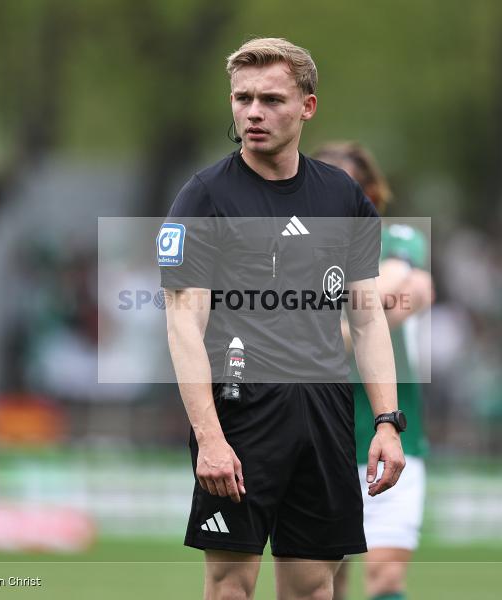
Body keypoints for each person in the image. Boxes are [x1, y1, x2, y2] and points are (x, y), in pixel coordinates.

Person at [159, 38, 406, 600]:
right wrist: (210, 438)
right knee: (229, 586)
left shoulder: (343, 196)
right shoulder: (203, 199)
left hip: (324, 414)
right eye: (242, 98)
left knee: (315, 589)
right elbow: (182, 327)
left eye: (270, 99)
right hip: (241, 414)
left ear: (307, 107)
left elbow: (366, 322)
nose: (252, 112)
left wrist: (387, 422)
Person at [314, 142, 433, 600]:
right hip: (324, 434)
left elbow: (412, 285)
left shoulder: (397, 239)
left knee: (384, 578)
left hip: (396, 434)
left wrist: (338, 328)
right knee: (325, 579)